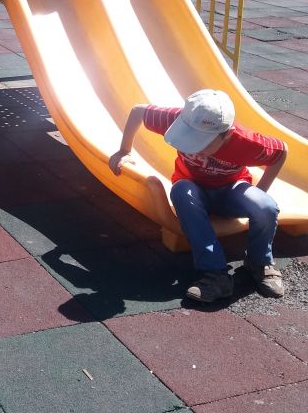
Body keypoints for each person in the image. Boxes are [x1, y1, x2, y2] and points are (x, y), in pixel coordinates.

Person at [108, 89, 288, 304]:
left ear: (227, 134)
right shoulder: (178, 119)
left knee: (266, 207)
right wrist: (124, 150)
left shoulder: (245, 142)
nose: (197, 147)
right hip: (193, 189)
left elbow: (281, 152)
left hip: (231, 189)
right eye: (191, 138)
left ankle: (259, 262)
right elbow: (139, 111)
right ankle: (215, 274)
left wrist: (261, 191)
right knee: (180, 190)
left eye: (205, 142)